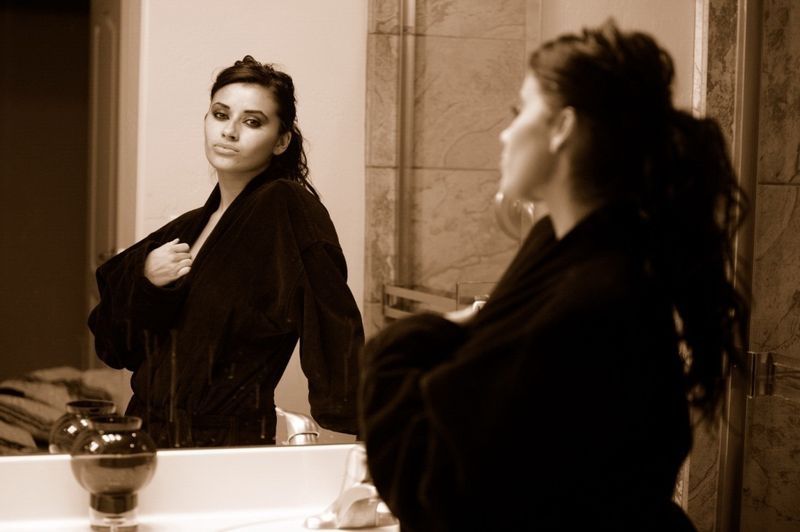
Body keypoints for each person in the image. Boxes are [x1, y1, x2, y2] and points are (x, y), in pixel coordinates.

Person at [358, 19, 749, 532]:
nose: (504, 133)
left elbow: (441, 492)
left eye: (519, 112)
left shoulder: (597, 295)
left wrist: (410, 341)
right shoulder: (571, 247)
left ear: (562, 127)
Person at [88, 56, 364, 448]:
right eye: (220, 114)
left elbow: (334, 322)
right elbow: (115, 346)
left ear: (282, 140)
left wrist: (359, 437)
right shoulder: (189, 227)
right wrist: (147, 281)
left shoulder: (287, 208)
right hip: (148, 434)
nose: (230, 131)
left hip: (224, 445)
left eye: (252, 122)